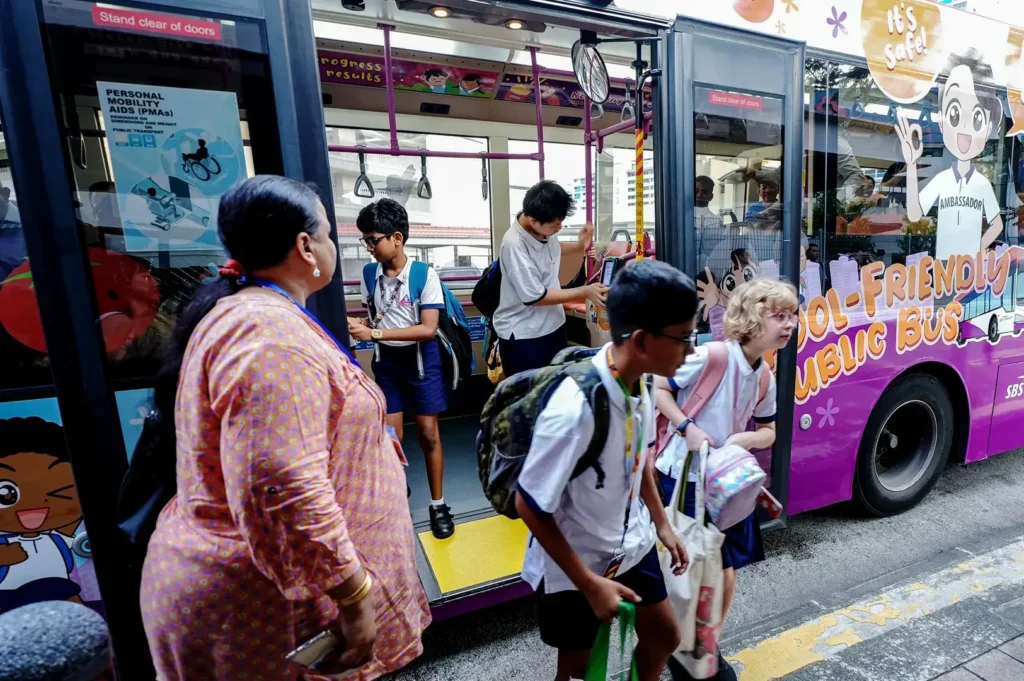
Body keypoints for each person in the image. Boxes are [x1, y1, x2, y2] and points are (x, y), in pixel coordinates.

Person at [139, 176, 430, 681]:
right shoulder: (268, 334)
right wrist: (352, 593)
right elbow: (281, 482)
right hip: (268, 607)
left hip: (276, 594)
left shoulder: (261, 315)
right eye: (329, 233)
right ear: (305, 247)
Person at [516, 259, 697, 681]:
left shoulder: (641, 379)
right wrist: (588, 583)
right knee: (578, 671)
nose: (690, 351)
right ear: (642, 341)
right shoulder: (574, 409)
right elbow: (529, 504)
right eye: (683, 339)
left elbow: (641, 458)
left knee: (664, 635)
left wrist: (662, 524)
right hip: (574, 563)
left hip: (630, 542)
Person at [654, 278, 798, 681]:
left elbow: (768, 431)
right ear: (752, 319)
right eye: (780, 316)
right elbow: (658, 387)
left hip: (727, 484)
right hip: (685, 478)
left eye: (792, 316)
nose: (789, 324)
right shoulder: (713, 355)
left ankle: (701, 644)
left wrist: (746, 439)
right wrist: (687, 427)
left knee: (726, 572)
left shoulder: (764, 375)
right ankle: (689, 653)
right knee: (690, 572)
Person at [349, 198, 454, 540]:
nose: (369, 247)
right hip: (388, 365)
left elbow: (427, 329)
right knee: (390, 439)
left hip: (422, 362)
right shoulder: (370, 275)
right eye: (365, 240)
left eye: (373, 239)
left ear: (397, 238)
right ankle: (396, 496)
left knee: (428, 434)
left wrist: (374, 333)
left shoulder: (424, 275)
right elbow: (375, 318)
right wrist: (360, 326)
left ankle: (438, 504)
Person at [895, 48, 1004, 263]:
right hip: (943, 266)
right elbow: (915, 214)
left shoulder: (982, 184)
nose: (965, 128)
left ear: (989, 127)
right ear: (942, 120)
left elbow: (997, 224)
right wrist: (911, 165)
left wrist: (978, 248)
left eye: (977, 118)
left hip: (970, 268)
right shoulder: (942, 180)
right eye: (954, 114)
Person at [493, 180, 606, 377]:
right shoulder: (514, 245)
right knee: (529, 393)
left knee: (555, 387)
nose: (559, 228)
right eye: (555, 225)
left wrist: (579, 246)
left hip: (553, 327)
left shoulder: (541, 224)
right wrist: (585, 291)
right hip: (525, 336)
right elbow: (536, 297)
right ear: (533, 221)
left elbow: (551, 246)